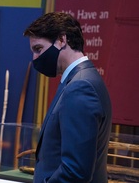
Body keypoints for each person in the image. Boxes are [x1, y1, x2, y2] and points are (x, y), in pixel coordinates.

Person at [24, 12, 112, 183]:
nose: (35, 58)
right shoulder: (82, 79)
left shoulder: (80, 86)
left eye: (38, 49)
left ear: (62, 40)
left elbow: (75, 171)